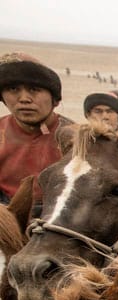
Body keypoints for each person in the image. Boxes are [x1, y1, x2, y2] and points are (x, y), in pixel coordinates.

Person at [0, 52, 72, 203]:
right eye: (13, 89)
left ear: (55, 100)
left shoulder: (77, 138)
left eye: (34, 89)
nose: (24, 99)